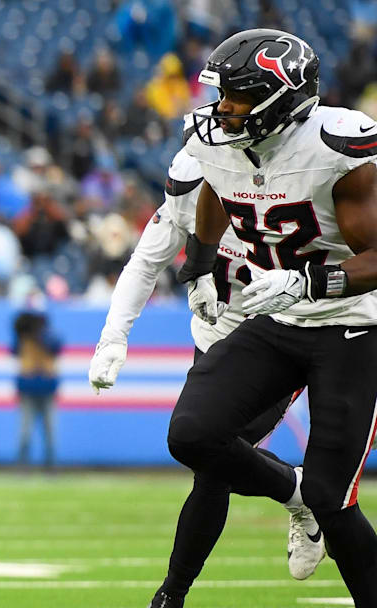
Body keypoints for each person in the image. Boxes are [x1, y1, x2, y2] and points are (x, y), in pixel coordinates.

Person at [168, 29, 377, 607]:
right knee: (193, 433)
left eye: (235, 95)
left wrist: (309, 280)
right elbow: (216, 186)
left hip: (353, 323)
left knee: (334, 498)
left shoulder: (337, 147)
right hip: (281, 319)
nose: (221, 108)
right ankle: (293, 494)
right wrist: (202, 265)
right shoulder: (218, 140)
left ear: (278, 97)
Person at [89, 141, 321, 607]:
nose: (183, 204)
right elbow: (144, 264)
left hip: (280, 338)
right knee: (207, 455)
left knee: (212, 465)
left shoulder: (269, 192)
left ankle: (171, 595)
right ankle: (299, 493)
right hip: (216, 342)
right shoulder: (183, 203)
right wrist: (112, 336)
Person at [13, 310, 61, 468]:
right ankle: (22, 464)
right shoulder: (23, 338)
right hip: (29, 389)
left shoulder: (48, 337)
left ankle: (51, 464)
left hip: (46, 389)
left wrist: (40, 334)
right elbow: (13, 349)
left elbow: (57, 346)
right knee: (25, 430)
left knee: (50, 431)